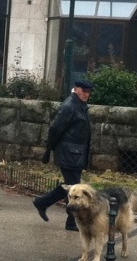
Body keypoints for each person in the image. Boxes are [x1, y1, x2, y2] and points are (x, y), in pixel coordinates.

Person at [32, 79, 94, 231]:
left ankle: (42, 202)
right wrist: (49, 150)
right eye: (83, 90)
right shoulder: (69, 106)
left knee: (70, 185)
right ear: (76, 89)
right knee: (75, 187)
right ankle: (72, 222)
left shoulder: (79, 105)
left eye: (88, 91)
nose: (86, 94)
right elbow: (55, 129)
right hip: (68, 153)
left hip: (76, 153)